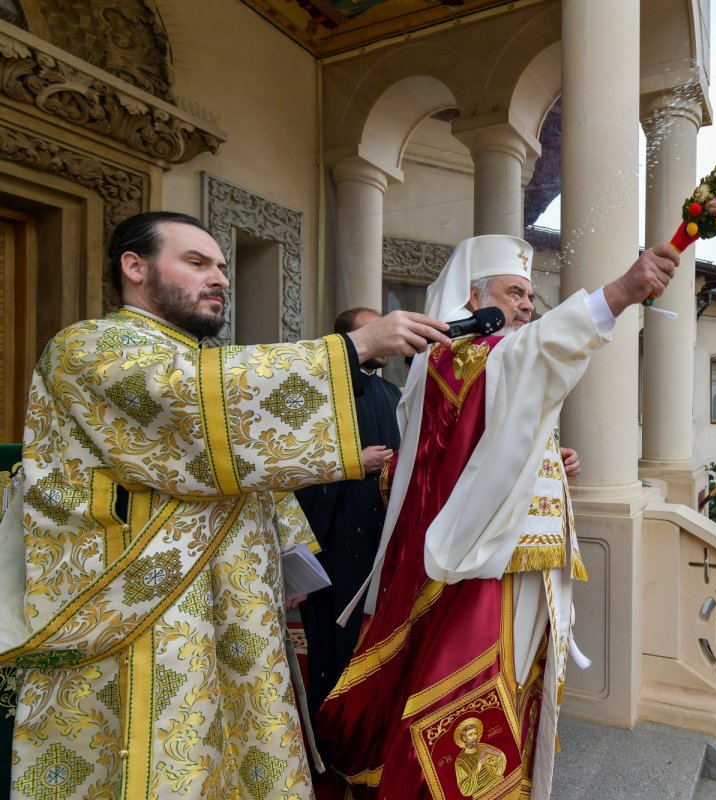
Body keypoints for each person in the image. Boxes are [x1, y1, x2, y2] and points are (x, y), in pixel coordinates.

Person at [1, 212, 449, 799]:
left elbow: (247, 458)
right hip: (141, 607)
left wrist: (290, 561)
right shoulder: (89, 346)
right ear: (133, 267)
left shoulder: (203, 360)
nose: (220, 278)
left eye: (221, 265)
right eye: (196, 262)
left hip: (236, 606)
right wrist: (355, 346)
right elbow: (192, 404)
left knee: (234, 750)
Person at [316, 234, 679, 799]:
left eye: (530, 296)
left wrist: (546, 462)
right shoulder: (453, 353)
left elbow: (492, 440)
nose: (527, 305)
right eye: (515, 292)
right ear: (472, 294)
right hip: (476, 571)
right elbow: (527, 359)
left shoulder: (487, 355)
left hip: (513, 559)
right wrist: (617, 294)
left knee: (515, 686)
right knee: (470, 689)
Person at [291, 307, 405, 741]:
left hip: (382, 537)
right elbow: (290, 462)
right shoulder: (319, 392)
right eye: (371, 328)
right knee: (333, 642)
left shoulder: (394, 393)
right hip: (335, 539)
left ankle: (368, 729)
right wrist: (356, 462)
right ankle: (331, 733)